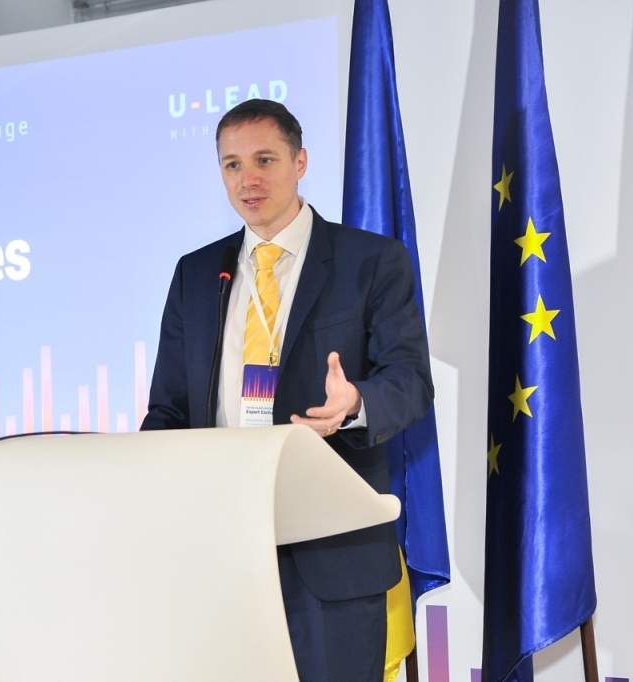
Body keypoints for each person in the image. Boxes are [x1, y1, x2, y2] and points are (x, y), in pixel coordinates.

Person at [141, 99, 433, 682]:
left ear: (300, 162)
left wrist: (355, 404)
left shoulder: (370, 261)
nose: (246, 179)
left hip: (331, 554)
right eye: (231, 165)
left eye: (264, 160)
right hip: (223, 549)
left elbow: (409, 380)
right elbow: (168, 408)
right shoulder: (196, 274)